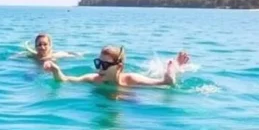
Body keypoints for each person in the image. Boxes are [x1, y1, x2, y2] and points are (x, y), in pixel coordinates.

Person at [45, 45, 190, 87]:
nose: (99, 68)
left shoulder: (131, 79)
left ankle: (178, 63)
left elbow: (165, 83)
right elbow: (65, 80)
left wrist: (172, 69)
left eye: (104, 64)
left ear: (119, 67)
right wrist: (56, 70)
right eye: (98, 63)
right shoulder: (93, 79)